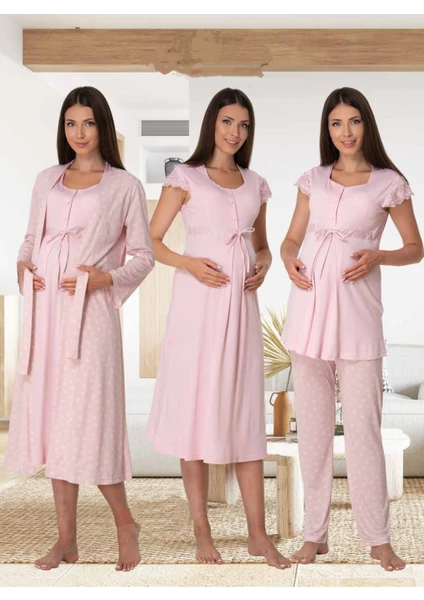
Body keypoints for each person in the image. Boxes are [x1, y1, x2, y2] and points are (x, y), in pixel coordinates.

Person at [5, 86, 154, 572]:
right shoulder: (46, 179)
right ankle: (66, 540)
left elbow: (144, 257)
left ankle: (125, 523)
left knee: (90, 421)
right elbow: (30, 240)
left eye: (88, 123)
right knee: (55, 425)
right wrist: (24, 267)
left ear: (103, 126)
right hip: (45, 315)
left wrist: (104, 280)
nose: (79, 133)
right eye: (71, 123)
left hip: (90, 320)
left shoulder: (124, 186)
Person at [147, 88, 290, 569]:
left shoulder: (256, 184)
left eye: (244, 125)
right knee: (194, 413)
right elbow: (152, 240)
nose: (235, 132)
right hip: (197, 307)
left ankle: (257, 535)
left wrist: (264, 264)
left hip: (241, 307)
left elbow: (263, 245)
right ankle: (201, 531)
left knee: (244, 415)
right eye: (228, 121)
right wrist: (189, 264)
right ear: (212, 123)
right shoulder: (184, 178)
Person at [280, 86, 423, 571]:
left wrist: (379, 255)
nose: (346, 132)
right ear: (328, 129)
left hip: (358, 314)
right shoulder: (313, 180)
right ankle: (314, 535)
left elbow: (415, 247)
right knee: (312, 432)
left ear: (367, 125)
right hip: (308, 312)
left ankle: (377, 539)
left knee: (363, 430)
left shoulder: (389, 183)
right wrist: (288, 260)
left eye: (354, 121)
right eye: (336, 123)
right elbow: (291, 239)